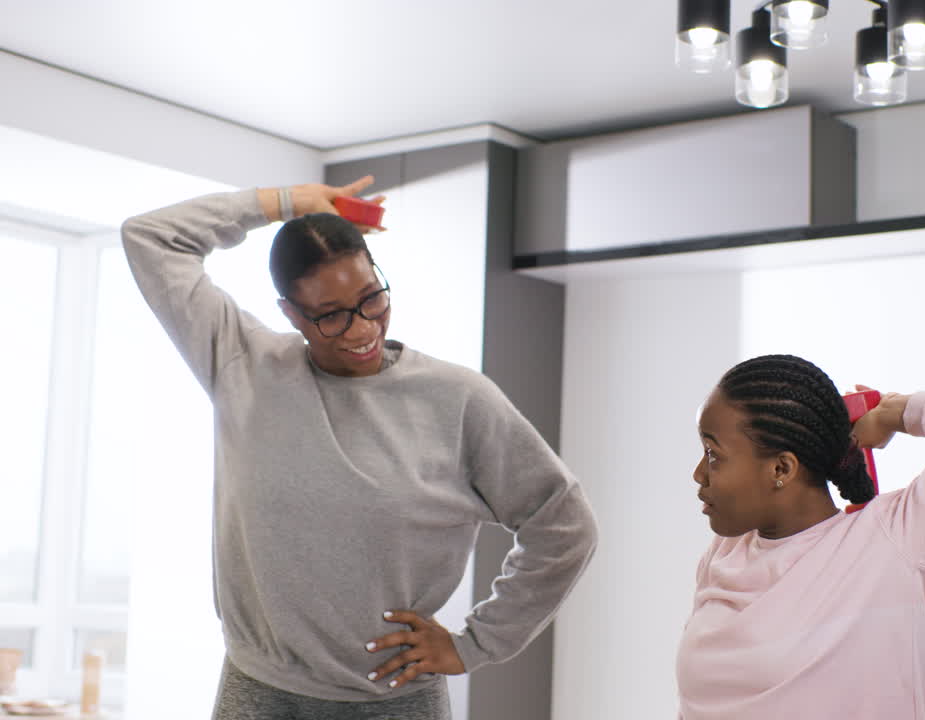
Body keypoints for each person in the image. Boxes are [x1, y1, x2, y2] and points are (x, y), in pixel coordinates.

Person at [121, 177, 598, 719]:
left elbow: (563, 522)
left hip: (392, 702)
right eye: (331, 315)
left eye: (371, 298)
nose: (361, 328)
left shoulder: (458, 399)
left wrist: (477, 642)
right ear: (291, 313)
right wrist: (283, 203)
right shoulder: (243, 366)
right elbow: (150, 238)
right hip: (257, 694)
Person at [676, 354, 925, 720]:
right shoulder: (724, 555)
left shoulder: (897, 543)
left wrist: (892, 411)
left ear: (781, 468)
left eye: (712, 454)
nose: (698, 473)